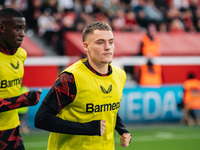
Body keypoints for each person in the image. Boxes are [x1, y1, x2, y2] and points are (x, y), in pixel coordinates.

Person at [35, 21, 132, 150]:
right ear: (86, 46)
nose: (108, 47)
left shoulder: (120, 75)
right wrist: (87, 128)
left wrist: (122, 129)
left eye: (111, 42)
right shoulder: (70, 78)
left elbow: (108, 109)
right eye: (100, 42)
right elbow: (42, 119)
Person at [0, 8, 42, 150]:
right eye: (17, 29)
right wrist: (21, 100)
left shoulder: (21, 54)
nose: (23, 34)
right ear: (2, 28)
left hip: (13, 130)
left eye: (23, 29)